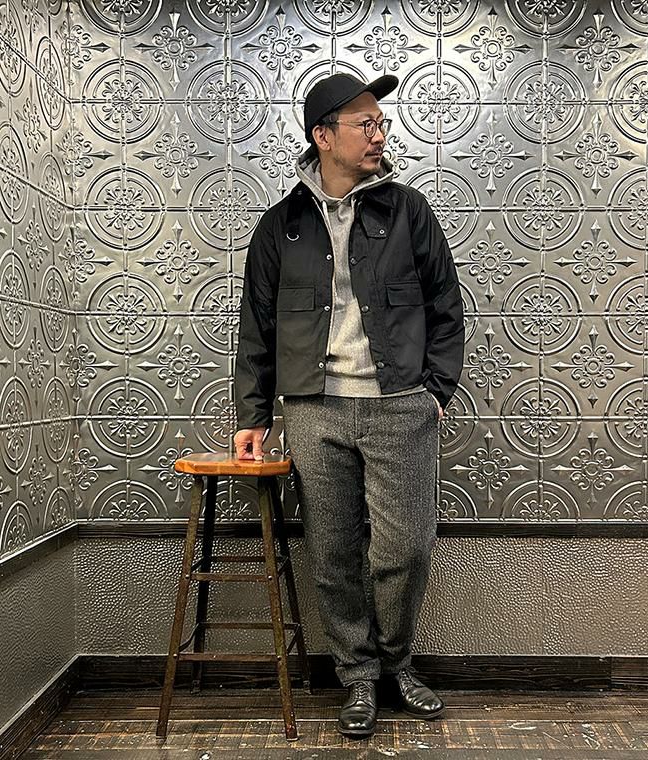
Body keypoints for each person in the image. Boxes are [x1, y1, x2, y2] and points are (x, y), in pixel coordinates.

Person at [234, 72, 464, 738]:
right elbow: (256, 328)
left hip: (401, 406)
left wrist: (436, 391)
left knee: (405, 549)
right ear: (323, 136)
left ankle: (397, 663)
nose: (380, 134)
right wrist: (253, 417)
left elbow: (446, 306)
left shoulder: (409, 211)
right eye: (365, 123)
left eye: (381, 123)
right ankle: (358, 676)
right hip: (314, 409)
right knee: (333, 553)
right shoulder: (280, 227)